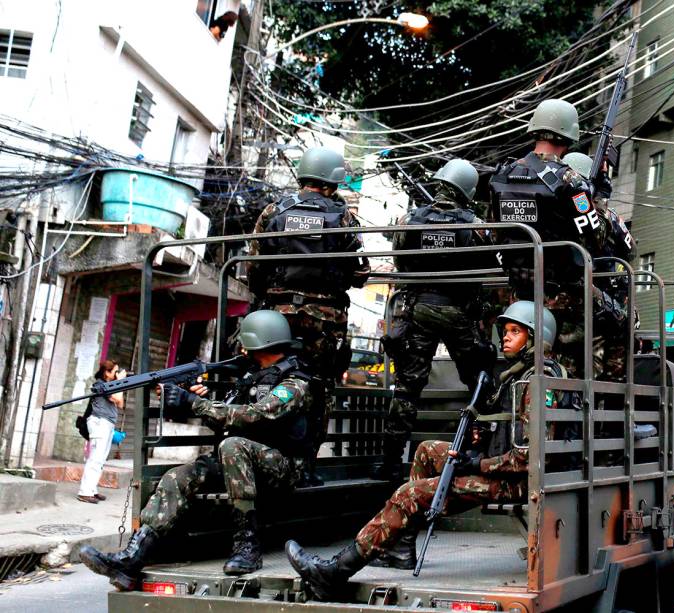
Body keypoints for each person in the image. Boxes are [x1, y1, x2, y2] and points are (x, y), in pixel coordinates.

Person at [286, 301, 563, 601]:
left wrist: (476, 463)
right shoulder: (519, 375)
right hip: (501, 468)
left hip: (518, 482)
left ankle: (335, 571)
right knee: (426, 450)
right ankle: (403, 547)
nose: (505, 337)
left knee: (411, 494)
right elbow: (510, 431)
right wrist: (482, 436)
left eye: (515, 331)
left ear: (536, 338)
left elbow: (529, 459)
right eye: (505, 331)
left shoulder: (536, 382)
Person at [78, 311, 314, 589]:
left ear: (258, 343)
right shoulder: (251, 375)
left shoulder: (295, 383)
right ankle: (133, 558)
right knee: (177, 477)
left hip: (282, 468)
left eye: (245, 342)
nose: (241, 348)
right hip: (237, 463)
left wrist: (194, 404)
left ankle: (247, 546)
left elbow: (256, 415)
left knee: (233, 445)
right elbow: (227, 414)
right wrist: (191, 397)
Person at [249, 146, 368, 485]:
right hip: (325, 320)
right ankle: (304, 468)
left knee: (267, 381)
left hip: (276, 317)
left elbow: (255, 268)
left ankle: (259, 457)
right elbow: (361, 273)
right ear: (333, 180)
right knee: (318, 389)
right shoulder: (344, 218)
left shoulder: (273, 211)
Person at [374, 159, 496, 482]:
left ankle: (389, 462)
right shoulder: (475, 225)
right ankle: (479, 454)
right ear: (467, 191)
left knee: (408, 387)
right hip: (458, 311)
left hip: (419, 310)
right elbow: (488, 263)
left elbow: (401, 262)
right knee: (478, 382)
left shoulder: (409, 220)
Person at [489, 99, 605, 376]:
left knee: (523, 363)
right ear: (567, 136)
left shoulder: (502, 174)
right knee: (612, 320)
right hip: (560, 293)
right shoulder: (572, 182)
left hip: (517, 288)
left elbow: (495, 231)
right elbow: (594, 236)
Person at [562, 151, 636, 381]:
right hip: (595, 302)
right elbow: (630, 250)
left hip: (578, 300)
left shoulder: (559, 213)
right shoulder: (602, 214)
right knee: (602, 373)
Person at [76, 361, 126, 504]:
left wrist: (119, 383)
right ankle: (85, 492)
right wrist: (121, 381)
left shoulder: (112, 385)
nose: (117, 374)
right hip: (99, 423)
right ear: (107, 372)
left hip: (107, 424)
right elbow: (116, 398)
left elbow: (120, 403)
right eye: (115, 371)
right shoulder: (100, 384)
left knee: (101, 460)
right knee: (95, 458)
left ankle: (92, 490)